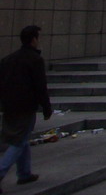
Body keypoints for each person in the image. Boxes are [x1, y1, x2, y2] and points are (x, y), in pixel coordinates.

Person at [0, 25, 53, 189]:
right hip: (25, 106)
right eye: (38, 37)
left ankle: (24, 173)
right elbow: (40, 86)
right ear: (33, 40)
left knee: (22, 139)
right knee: (19, 141)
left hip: (9, 106)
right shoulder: (35, 60)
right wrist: (46, 107)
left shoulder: (8, 59)